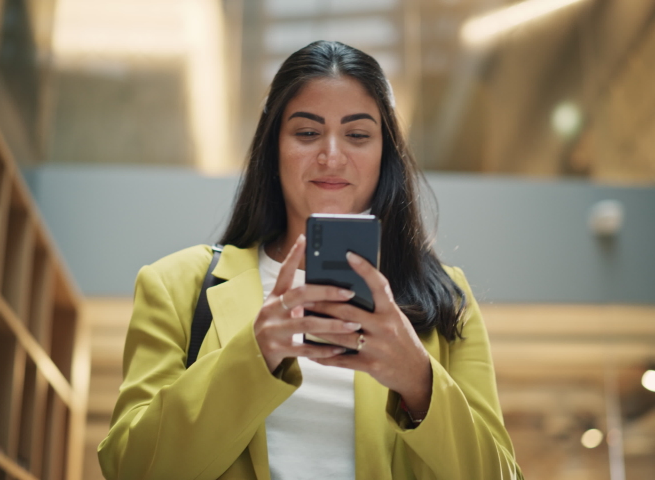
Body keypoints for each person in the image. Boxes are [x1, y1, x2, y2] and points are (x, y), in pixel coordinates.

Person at [98, 40, 523, 480]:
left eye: (357, 135)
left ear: (385, 154)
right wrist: (255, 353)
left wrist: (419, 381)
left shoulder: (447, 297)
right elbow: (130, 468)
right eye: (306, 133)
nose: (332, 157)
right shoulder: (175, 285)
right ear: (273, 148)